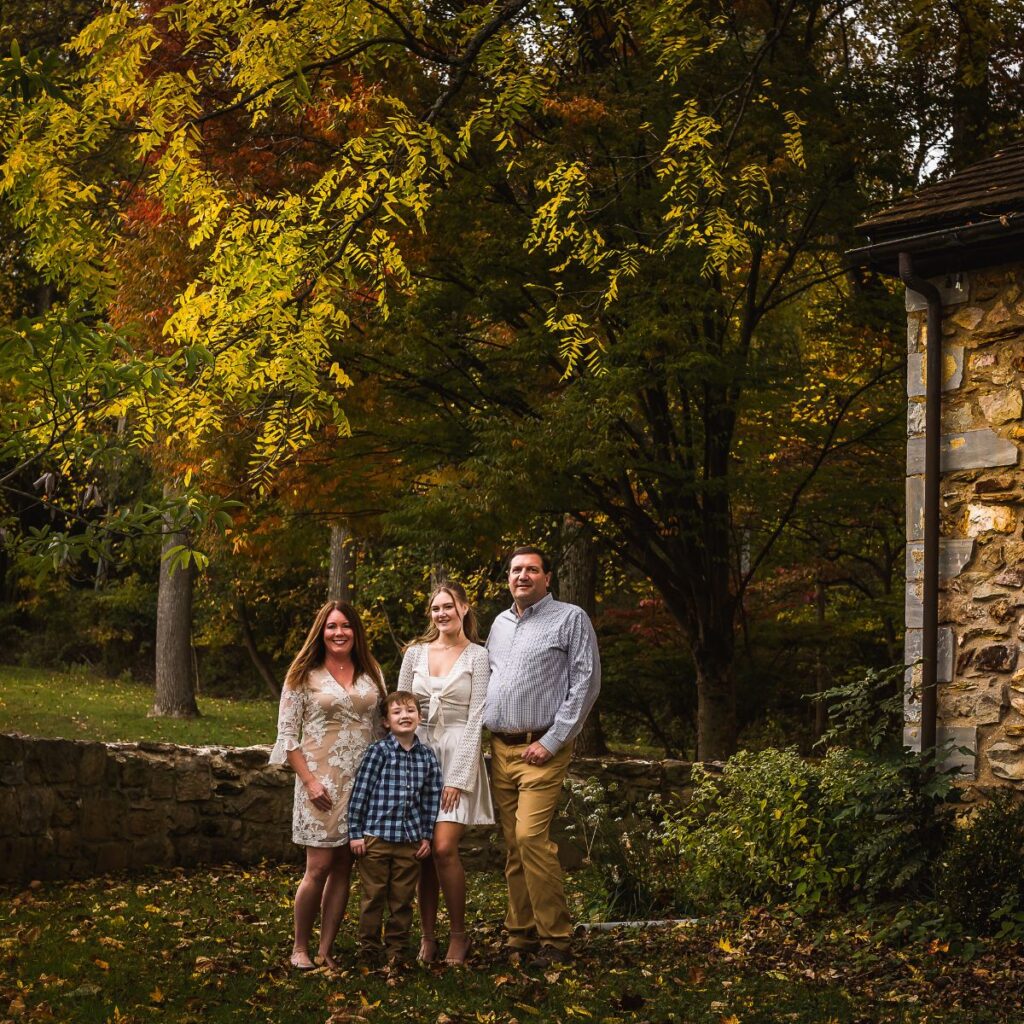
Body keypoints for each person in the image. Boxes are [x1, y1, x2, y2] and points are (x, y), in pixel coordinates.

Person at [484, 545, 601, 967]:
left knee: (532, 838)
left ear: (547, 578)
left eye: (532, 569)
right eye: (516, 570)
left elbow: (586, 683)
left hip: (541, 750)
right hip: (500, 749)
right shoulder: (497, 624)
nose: (523, 576)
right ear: (508, 578)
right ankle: (520, 936)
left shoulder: (570, 619)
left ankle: (557, 940)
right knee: (515, 845)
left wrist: (552, 741)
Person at [269, 600, 386, 970]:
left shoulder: (372, 671)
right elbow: (287, 736)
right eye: (332, 627)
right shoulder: (302, 674)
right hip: (319, 784)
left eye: (346, 626)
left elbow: (384, 727)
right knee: (317, 866)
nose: (339, 633)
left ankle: (325, 949)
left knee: (343, 867)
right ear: (322, 631)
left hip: (362, 784)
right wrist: (309, 782)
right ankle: (300, 947)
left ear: (356, 632)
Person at [399, 581, 493, 965]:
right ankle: (426, 936)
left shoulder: (478, 657)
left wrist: (457, 777)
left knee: (443, 848)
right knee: (422, 855)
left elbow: (477, 718)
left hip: (457, 753)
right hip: (418, 755)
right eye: (436, 608)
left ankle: (458, 935)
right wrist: (401, 764)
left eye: (448, 606)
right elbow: (399, 709)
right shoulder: (414, 655)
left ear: (464, 609)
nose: (442, 613)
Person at [348, 691, 443, 964]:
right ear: (387, 722)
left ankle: (397, 950)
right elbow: (360, 793)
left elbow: (430, 799)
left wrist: (427, 836)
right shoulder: (378, 752)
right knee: (373, 896)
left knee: (402, 900)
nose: (405, 716)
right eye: (397, 712)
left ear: (420, 717)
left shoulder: (427, 757)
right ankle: (368, 947)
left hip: (410, 842)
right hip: (375, 839)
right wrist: (356, 833)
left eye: (410, 711)